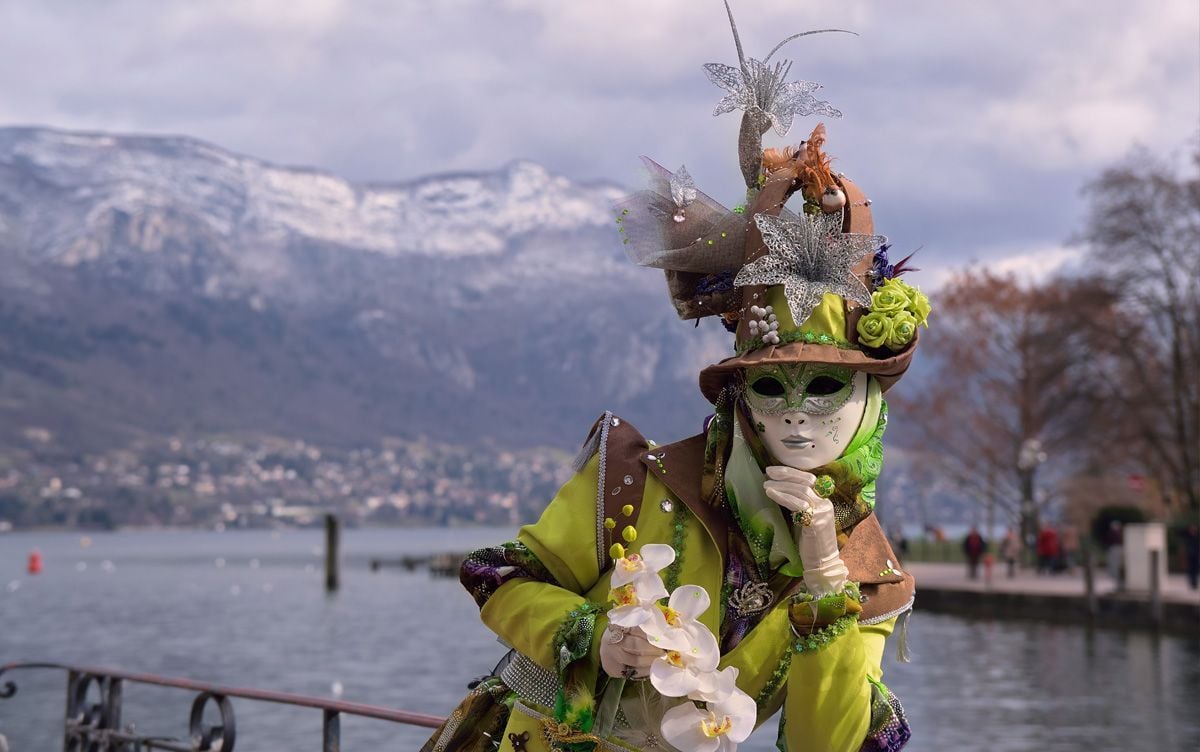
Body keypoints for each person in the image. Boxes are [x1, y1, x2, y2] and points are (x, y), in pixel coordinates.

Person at [421, 8, 925, 751]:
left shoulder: (867, 573)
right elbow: (499, 577)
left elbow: (824, 746)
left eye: (823, 387)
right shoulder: (637, 482)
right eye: (769, 387)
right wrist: (592, 636)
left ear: (869, 402)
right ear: (736, 396)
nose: (795, 417)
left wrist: (825, 582)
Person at [1181, 523, 1200, 591]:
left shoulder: (1197, 537)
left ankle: (1195, 584)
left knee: (1195, 570)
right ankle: (1192, 584)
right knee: (1190, 571)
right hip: (1189, 556)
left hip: (1196, 556)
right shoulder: (1188, 537)